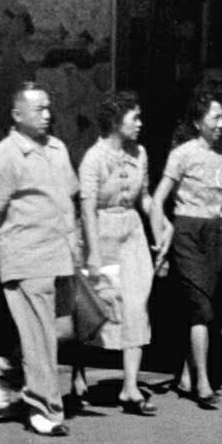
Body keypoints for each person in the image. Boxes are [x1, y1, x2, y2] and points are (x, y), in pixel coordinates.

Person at [0, 84, 82, 437]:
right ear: (18, 115)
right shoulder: (6, 155)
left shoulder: (58, 149)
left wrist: (80, 247)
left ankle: (5, 370)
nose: (47, 115)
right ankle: (44, 409)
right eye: (39, 109)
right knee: (40, 338)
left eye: (49, 108)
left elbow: (70, 201)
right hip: (27, 256)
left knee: (61, 331)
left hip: (61, 254)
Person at [154, 88, 222, 410]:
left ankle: (186, 376)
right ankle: (204, 383)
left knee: (205, 304)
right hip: (188, 231)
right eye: (215, 117)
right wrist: (161, 237)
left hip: (216, 235)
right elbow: (157, 200)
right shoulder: (182, 154)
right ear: (198, 121)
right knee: (200, 309)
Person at [77, 89, 158, 414]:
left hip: (132, 234)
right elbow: (86, 208)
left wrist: (160, 226)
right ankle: (77, 374)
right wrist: (94, 253)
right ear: (115, 120)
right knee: (98, 310)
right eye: (134, 117)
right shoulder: (93, 159)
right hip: (102, 232)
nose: (139, 123)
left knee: (136, 306)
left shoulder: (140, 154)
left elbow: (147, 197)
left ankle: (129, 387)